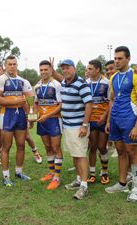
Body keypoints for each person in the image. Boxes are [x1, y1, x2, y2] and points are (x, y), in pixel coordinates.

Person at [105, 46, 137, 203]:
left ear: (128, 58)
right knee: (121, 150)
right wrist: (109, 120)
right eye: (115, 58)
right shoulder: (113, 77)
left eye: (120, 58)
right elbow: (113, 99)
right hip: (116, 119)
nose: (116, 61)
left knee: (132, 152)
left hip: (130, 119)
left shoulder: (136, 76)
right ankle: (122, 183)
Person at [51, 58, 93, 200]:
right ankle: (78, 179)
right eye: (63, 68)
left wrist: (85, 125)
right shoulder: (64, 81)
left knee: (81, 155)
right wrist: (52, 70)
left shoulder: (81, 83)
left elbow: (89, 105)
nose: (66, 70)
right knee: (75, 154)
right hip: (68, 126)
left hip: (78, 126)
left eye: (68, 67)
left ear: (74, 68)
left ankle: (84, 186)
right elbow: (60, 77)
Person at [0, 55, 34, 187]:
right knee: (7, 146)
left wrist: (31, 115)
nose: (12, 66)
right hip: (7, 115)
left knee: (21, 145)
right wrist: (15, 101)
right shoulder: (1, 79)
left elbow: (30, 100)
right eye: (9, 64)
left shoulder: (24, 81)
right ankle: (6, 176)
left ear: (17, 65)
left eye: (14, 64)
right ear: (5, 65)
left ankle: (19, 172)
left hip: (21, 115)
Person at [34, 60, 62, 190]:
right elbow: (35, 103)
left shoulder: (56, 85)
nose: (44, 72)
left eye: (46, 69)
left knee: (56, 147)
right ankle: (51, 172)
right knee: (47, 146)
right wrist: (33, 116)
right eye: (41, 70)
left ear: (51, 70)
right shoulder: (37, 86)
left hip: (54, 120)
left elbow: (61, 105)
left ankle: (57, 177)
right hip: (42, 120)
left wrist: (48, 115)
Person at [85, 59, 110, 184]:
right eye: (87, 69)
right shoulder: (86, 83)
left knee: (101, 146)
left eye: (90, 69)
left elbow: (111, 102)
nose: (87, 71)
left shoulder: (106, 83)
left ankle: (105, 172)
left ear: (97, 70)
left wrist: (105, 116)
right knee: (93, 147)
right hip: (90, 120)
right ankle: (92, 173)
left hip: (102, 120)